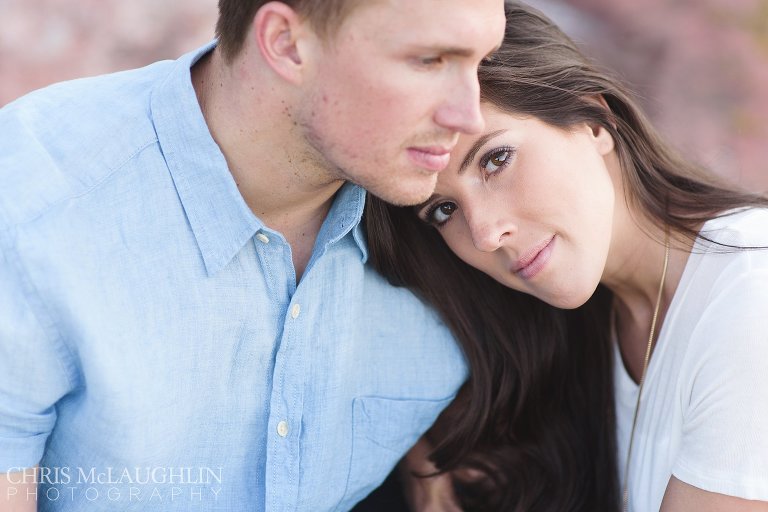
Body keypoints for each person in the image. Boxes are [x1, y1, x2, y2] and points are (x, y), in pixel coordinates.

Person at [0, 0, 507, 510]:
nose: (469, 115)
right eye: (429, 62)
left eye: (482, 61)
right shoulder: (32, 207)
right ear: (287, 44)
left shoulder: (467, 214)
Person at [366, 1, 768, 511]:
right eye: (444, 210)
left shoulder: (751, 296)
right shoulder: (595, 324)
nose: (486, 234)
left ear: (592, 117)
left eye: (496, 159)